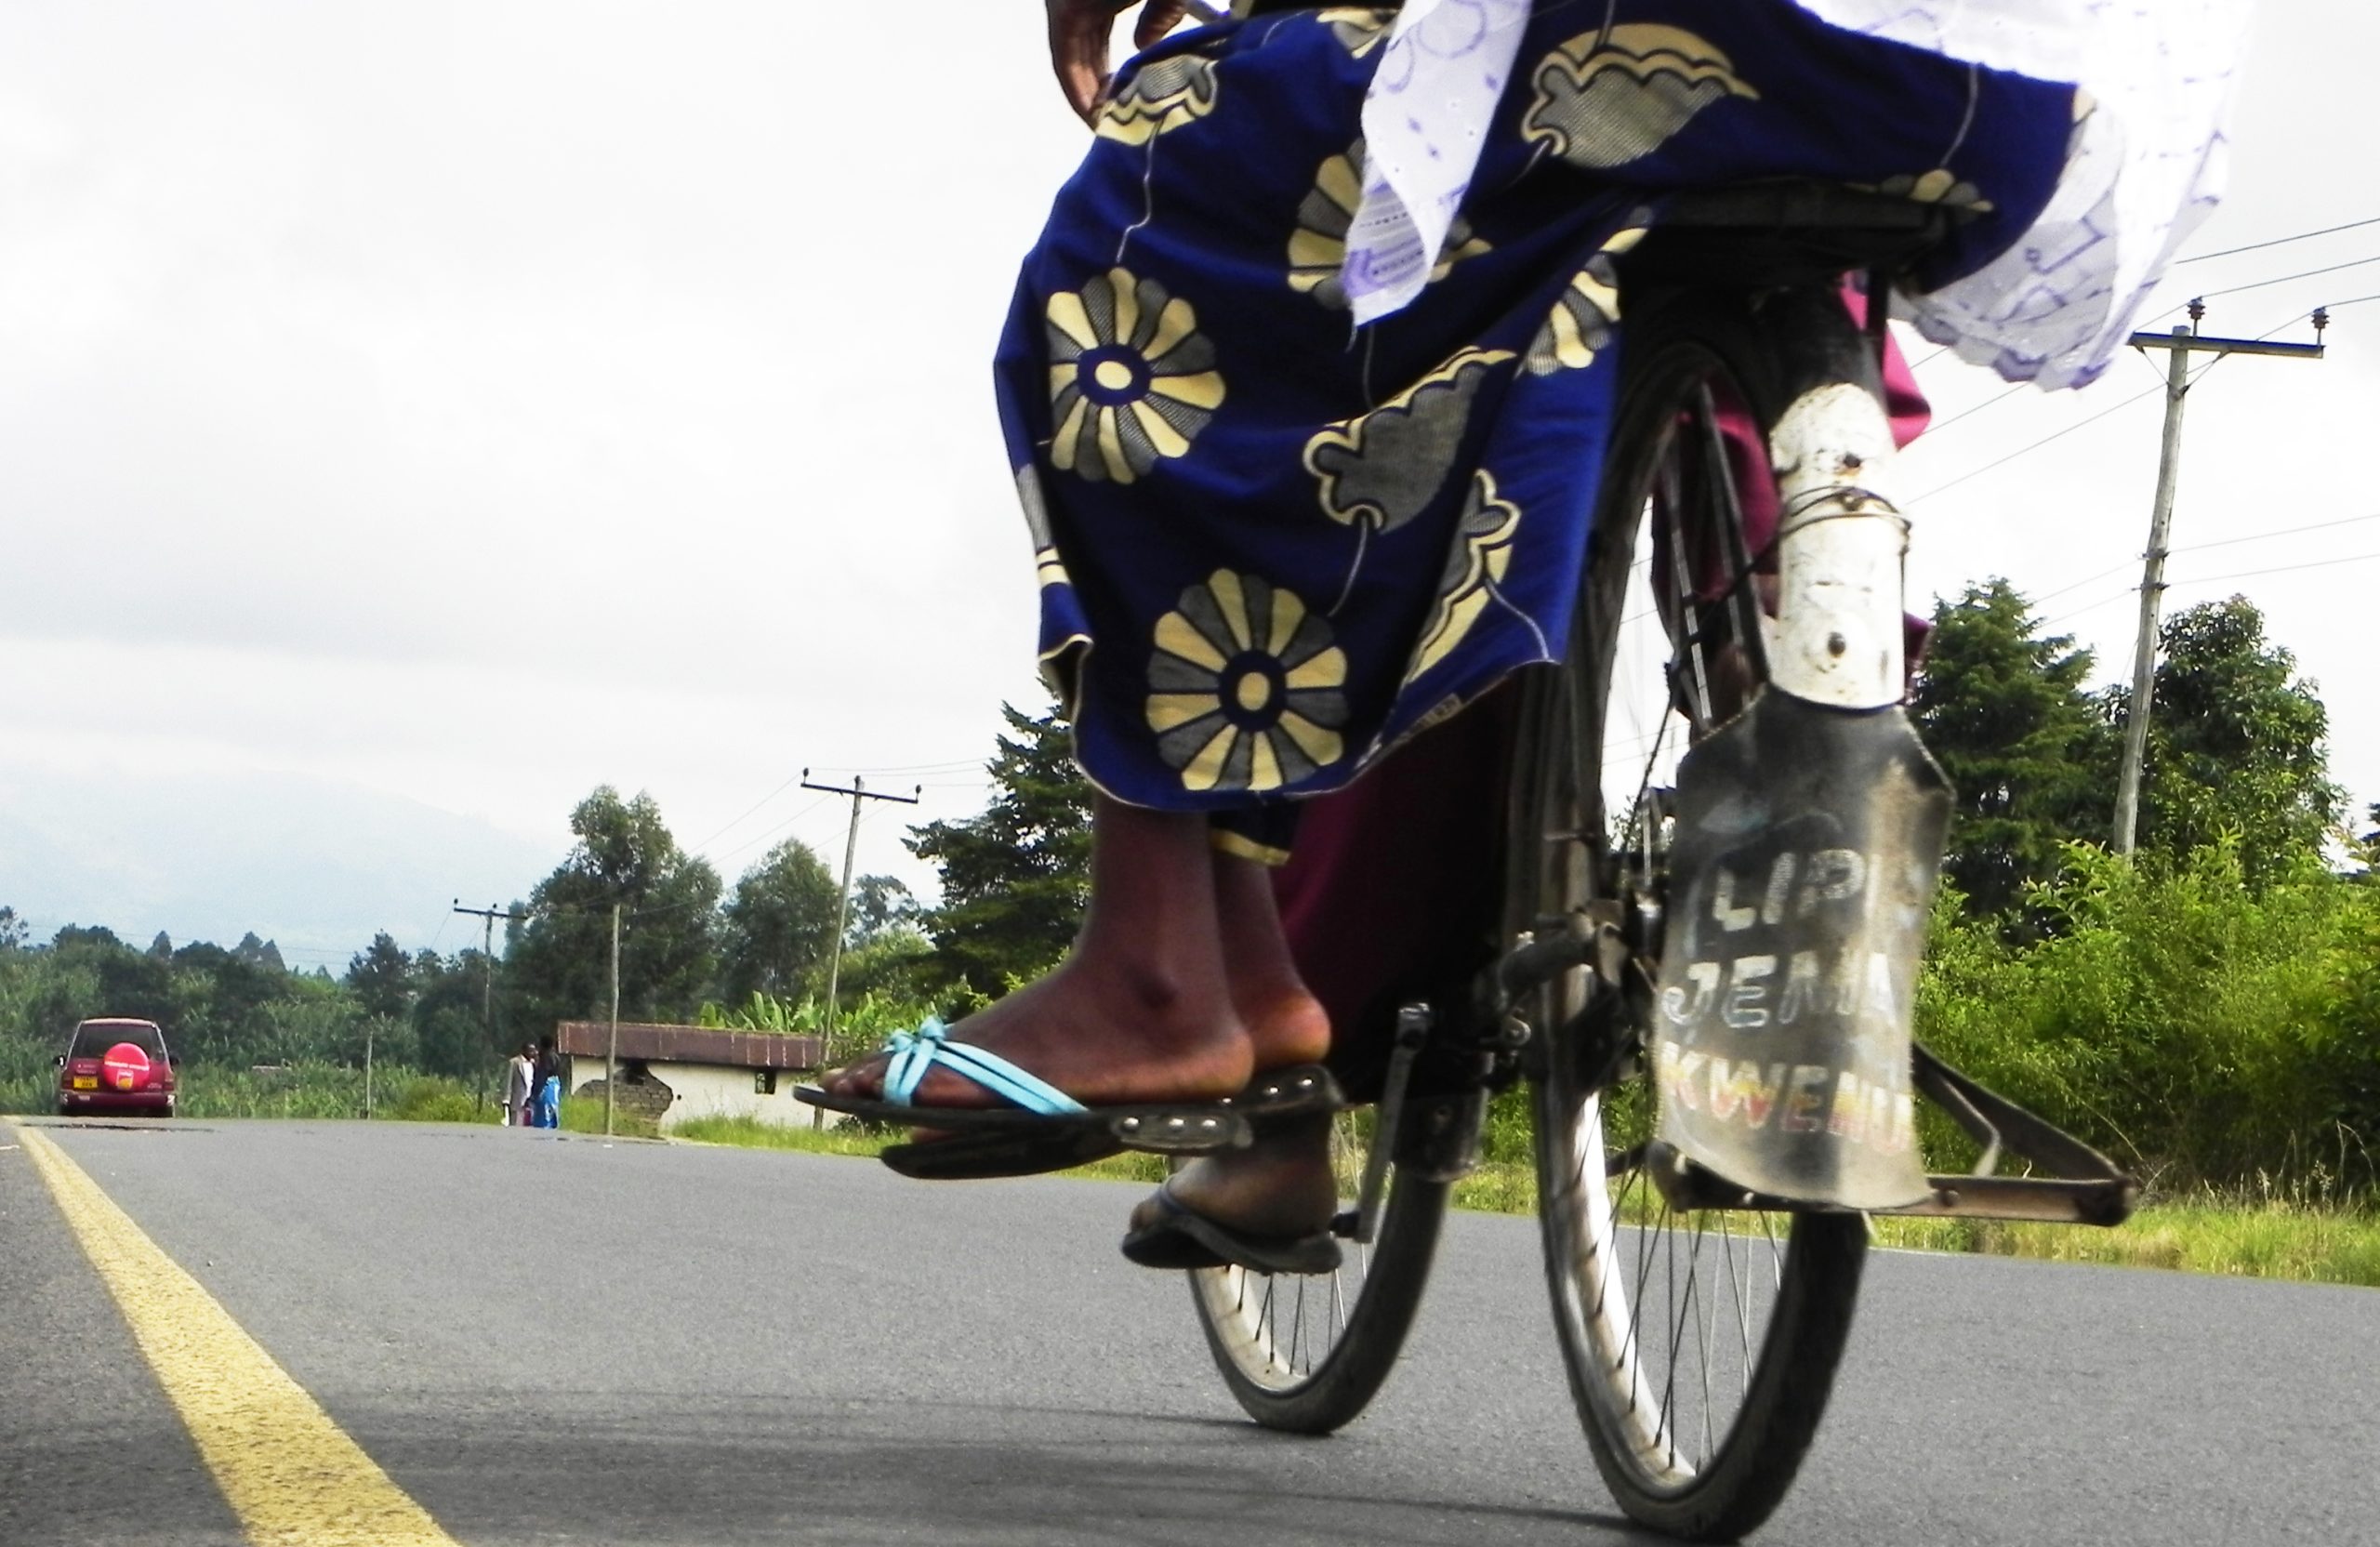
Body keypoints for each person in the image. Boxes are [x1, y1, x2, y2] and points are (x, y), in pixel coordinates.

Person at [819, 0, 2248, 1258]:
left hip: (1685, 48)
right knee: (1506, 264)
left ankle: (1159, 965)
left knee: (1154, 197)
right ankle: (1257, 974)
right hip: (1999, 106)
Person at [533, 1038, 564, 1129]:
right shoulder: (556, 1057)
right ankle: (553, 1127)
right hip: (555, 1085)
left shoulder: (545, 1057)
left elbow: (542, 1074)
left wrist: (536, 1091)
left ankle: (544, 1131)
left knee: (544, 1112)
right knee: (553, 1109)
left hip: (546, 1086)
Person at [504, 1040, 536, 1129]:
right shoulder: (514, 1062)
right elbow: (509, 1081)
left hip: (530, 1101)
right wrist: (507, 1099)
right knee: (516, 1127)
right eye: (530, 1051)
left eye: (534, 1051)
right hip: (518, 1101)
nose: (532, 1053)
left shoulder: (533, 1064)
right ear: (523, 1051)